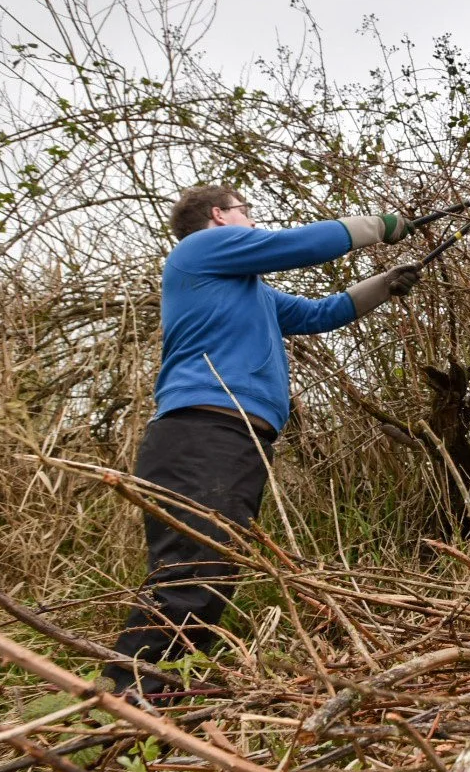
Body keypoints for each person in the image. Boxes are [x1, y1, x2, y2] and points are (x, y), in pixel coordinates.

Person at [106, 185, 421, 696]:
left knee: (211, 575)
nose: (252, 221)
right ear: (219, 215)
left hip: (234, 439)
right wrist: (380, 226)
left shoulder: (249, 291)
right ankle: (125, 698)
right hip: (200, 435)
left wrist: (384, 284)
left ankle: (154, 695)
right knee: (190, 575)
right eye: (245, 211)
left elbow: (322, 315)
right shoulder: (198, 250)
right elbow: (297, 246)